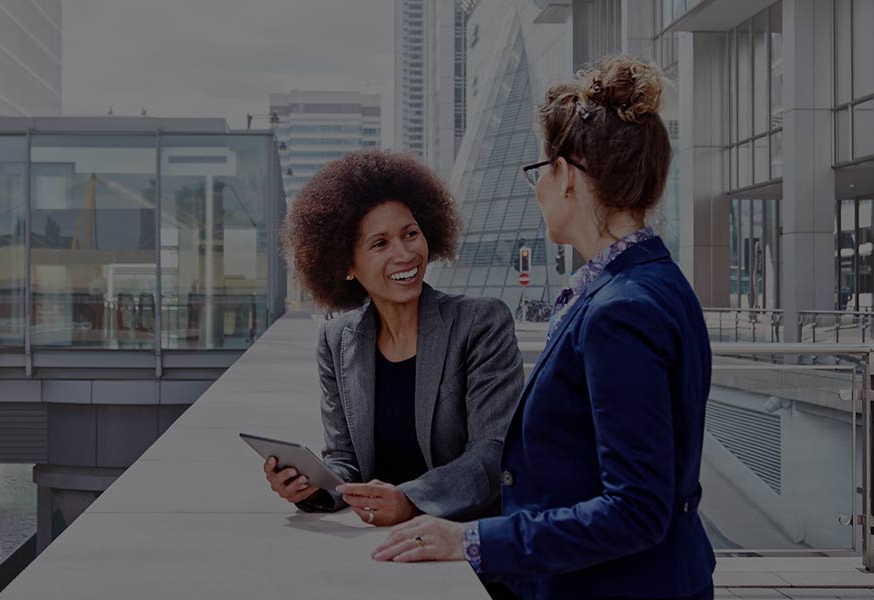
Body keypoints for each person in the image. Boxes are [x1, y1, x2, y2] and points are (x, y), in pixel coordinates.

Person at [375, 56, 715, 600]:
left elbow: (635, 509)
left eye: (540, 172)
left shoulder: (620, 311)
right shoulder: (655, 282)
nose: (536, 191)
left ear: (567, 176)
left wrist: (472, 540)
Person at [264, 149, 524, 533]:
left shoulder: (481, 322)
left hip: (462, 542)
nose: (404, 254)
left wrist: (411, 500)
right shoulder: (337, 340)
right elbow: (344, 459)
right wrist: (312, 487)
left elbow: (493, 452)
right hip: (381, 545)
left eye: (410, 234)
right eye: (380, 244)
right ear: (347, 266)